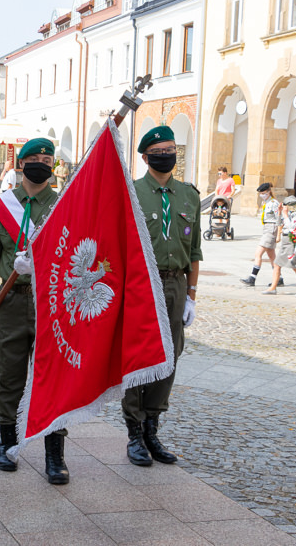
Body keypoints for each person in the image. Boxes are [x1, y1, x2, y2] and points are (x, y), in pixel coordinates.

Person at [0, 137, 69, 484]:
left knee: (54, 377)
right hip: (12, 300)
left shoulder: (65, 205)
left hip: (53, 302)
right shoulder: (0, 208)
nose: (42, 163)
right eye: (36, 157)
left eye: (48, 158)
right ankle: (7, 443)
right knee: (10, 375)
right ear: (22, 163)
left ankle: (54, 453)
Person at [122, 125, 200, 468]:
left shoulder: (189, 195)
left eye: (171, 149)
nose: (167, 155)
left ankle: (153, 427)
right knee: (138, 357)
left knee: (169, 357)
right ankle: (135, 433)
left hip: (175, 285)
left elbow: (195, 250)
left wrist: (192, 295)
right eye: (160, 151)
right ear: (145, 157)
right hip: (140, 285)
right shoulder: (132, 192)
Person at [262, 196, 296, 297]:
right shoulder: (287, 213)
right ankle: (273, 288)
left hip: (292, 241)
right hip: (285, 240)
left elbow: (292, 227)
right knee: (277, 264)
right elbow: (279, 223)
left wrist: (285, 215)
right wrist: (280, 213)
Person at [240, 183, 283, 287]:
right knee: (272, 256)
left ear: (268, 192)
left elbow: (279, 218)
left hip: (271, 229)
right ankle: (279, 278)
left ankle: (252, 278)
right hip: (267, 228)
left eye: (263, 193)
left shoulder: (273, 203)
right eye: (260, 194)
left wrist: (278, 235)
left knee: (258, 254)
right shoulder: (267, 202)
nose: (262, 195)